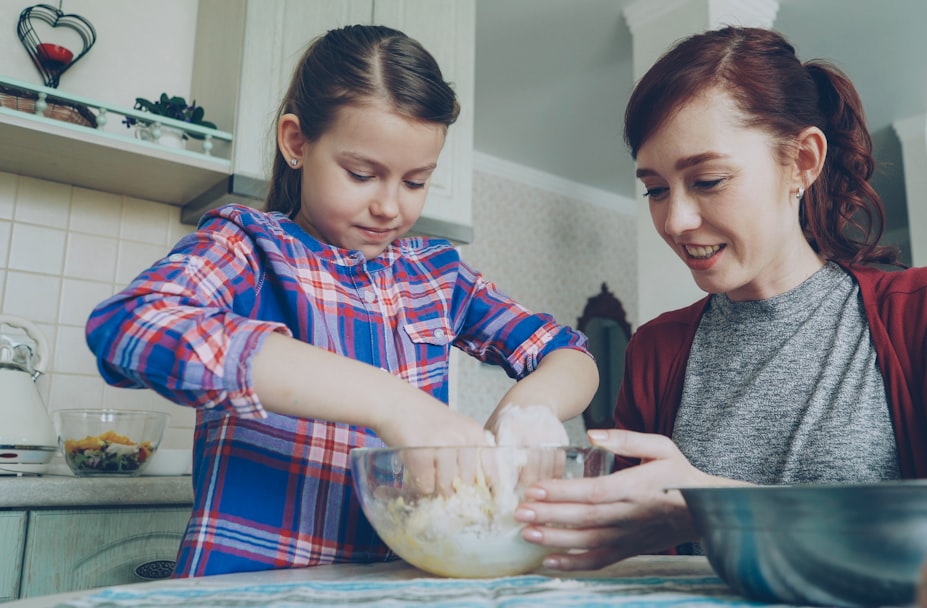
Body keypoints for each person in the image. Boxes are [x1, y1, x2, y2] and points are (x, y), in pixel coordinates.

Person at [513, 25, 927, 573]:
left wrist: (717, 514)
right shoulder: (655, 350)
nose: (675, 221)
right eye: (655, 190)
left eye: (708, 180)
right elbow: (634, 543)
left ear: (802, 162)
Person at [85, 24, 598, 577]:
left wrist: (522, 417)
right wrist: (392, 402)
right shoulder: (249, 245)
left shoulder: (436, 273)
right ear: (297, 142)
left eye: (415, 181)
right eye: (361, 174)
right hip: (246, 586)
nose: (389, 207)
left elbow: (570, 355)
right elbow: (128, 327)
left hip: (392, 586)